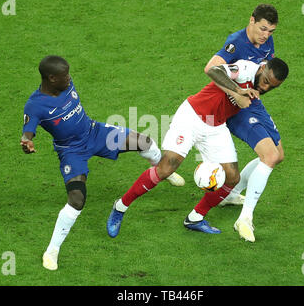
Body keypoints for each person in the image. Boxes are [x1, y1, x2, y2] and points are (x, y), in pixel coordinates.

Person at [20, 55, 185, 270]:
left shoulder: (66, 84)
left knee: (144, 142)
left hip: (94, 132)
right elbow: (27, 134)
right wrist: (27, 142)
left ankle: (162, 170)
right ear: (51, 78)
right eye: (64, 75)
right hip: (72, 151)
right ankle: (52, 251)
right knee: (77, 199)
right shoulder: (35, 105)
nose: (69, 78)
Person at [106, 57, 288, 238]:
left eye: (272, 87)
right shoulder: (244, 68)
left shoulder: (256, 89)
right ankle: (120, 207)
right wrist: (237, 92)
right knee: (166, 168)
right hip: (192, 116)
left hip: (214, 126)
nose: (265, 88)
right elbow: (214, 70)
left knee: (232, 178)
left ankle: (195, 218)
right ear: (262, 67)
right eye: (265, 81)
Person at [204, 4, 285, 242]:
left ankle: (231, 193)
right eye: (262, 29)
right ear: (251, 20)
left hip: (252, 100)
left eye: (270, 31)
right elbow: (211, 68)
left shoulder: (267, 43)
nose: (265, 35)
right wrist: (237, 92)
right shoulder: (236, 43)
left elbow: (264, 76)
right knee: (268, 157)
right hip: (235, 105)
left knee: (278, 155)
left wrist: (257, 91)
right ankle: (244, 218)